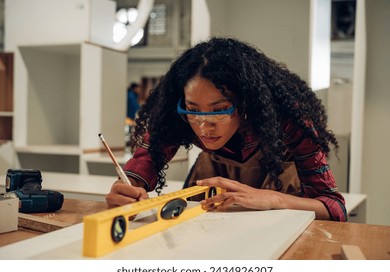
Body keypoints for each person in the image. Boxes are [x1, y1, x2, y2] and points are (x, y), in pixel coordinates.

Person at [106, 37, 347, 222]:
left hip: (279, 189)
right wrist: (126, 191)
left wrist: (271, 198)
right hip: (212, 185)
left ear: (245, 104)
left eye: (218, 110)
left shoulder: (287, 119)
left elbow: (334, 208)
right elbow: (139, 172)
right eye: (193, 110)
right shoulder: (176, 114)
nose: (203, 126)